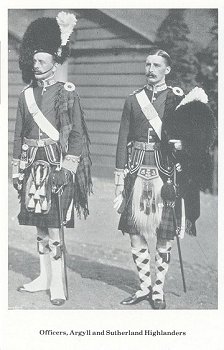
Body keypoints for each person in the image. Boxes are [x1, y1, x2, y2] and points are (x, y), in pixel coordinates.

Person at [114, 48, 215, 309]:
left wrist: (185, 143)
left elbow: (196, 134)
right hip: (136, 169)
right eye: (148, 64)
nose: (150, 69)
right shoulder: (133, 100)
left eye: (157, 65)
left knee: (163, 233)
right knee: (135, 230)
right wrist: (118, 175)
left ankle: (158, 290)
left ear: (167, 70)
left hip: (165, 171)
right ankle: (144, 286)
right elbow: (122, 138)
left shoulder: (177, 98)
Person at [11, 12, 92, 306]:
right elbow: (19, 135)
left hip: (56, 164)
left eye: (41, 61)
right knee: (39, 225)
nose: (35, 65)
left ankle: (57, 282)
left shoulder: (67, 93)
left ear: (55, 64)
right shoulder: (25, 96)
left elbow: (78, 137)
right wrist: (17, 169)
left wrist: (68, 169)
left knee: (55, 225)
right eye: (33, 61)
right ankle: (43, 276)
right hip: (32, 164)